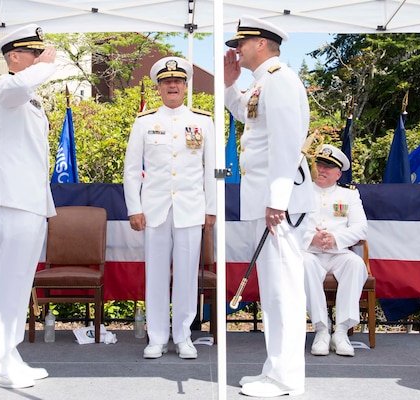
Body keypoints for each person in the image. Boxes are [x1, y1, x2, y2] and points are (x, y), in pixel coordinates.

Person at [224, 15, 315, 398]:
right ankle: (274, 371)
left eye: (241, 43)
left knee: (284, 292)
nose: (236, 49)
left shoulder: (280, 80)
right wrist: (230, 85)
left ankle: (285, 379)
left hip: (281, 203)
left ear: (261, 43)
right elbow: (247, 114)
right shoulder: (264, 82)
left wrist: (276, 201)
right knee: (276, 290)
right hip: (272, 200)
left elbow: (285, 143)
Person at [0, 24, 57, 389]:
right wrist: (49, 63)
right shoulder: (5, 87)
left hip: (28, 200)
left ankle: (7, 355)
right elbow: (22, 85)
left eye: (41, 54)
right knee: (5, 281)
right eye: (34, 53)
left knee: (18, 282)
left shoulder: (29, 97)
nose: (41, 58)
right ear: (14, 57)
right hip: (10, 198)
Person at [123, 56, 216, 360]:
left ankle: (184, 335)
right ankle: (158, 336)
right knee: (157, 275)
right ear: (158, 88)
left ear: (186, 86)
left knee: (188, 275)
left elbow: (213, 169)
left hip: (190, 208)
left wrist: (211, 207)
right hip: (155, 210)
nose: (172, 85)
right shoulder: (145, 122)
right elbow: (132, 170)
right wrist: (134, 207)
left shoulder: (203, 121)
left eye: (177, 81)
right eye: (166, 82)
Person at [304, 144, 368, 357]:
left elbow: (361, 228)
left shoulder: (349, 195)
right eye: (319, 165)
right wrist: (311, 238)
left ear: (338, 173)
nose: (321, 170)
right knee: (304, 264)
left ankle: (341, 331)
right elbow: (289, 225)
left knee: (355, 263)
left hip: (338, 252)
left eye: (328, 168)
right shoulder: (301, 191)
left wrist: (335, 239)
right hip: (310, 252)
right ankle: (321, 329)